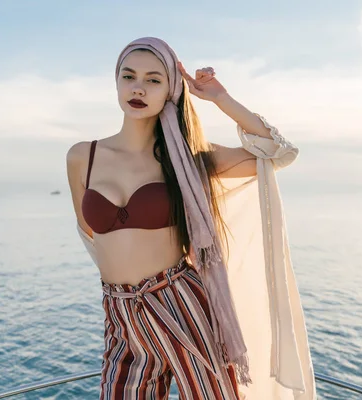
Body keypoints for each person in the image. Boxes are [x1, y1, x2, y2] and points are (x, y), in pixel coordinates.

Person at [67, 37, 317, 400]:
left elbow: (278, 153)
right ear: (116, 81)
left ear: (171, 88)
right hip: (120, 315)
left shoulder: (189, 157)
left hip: (181, 304)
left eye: (154, 79)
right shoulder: (82, 157)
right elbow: (88, 232)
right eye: (129, 76)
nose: (138, 87)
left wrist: (219, 98)